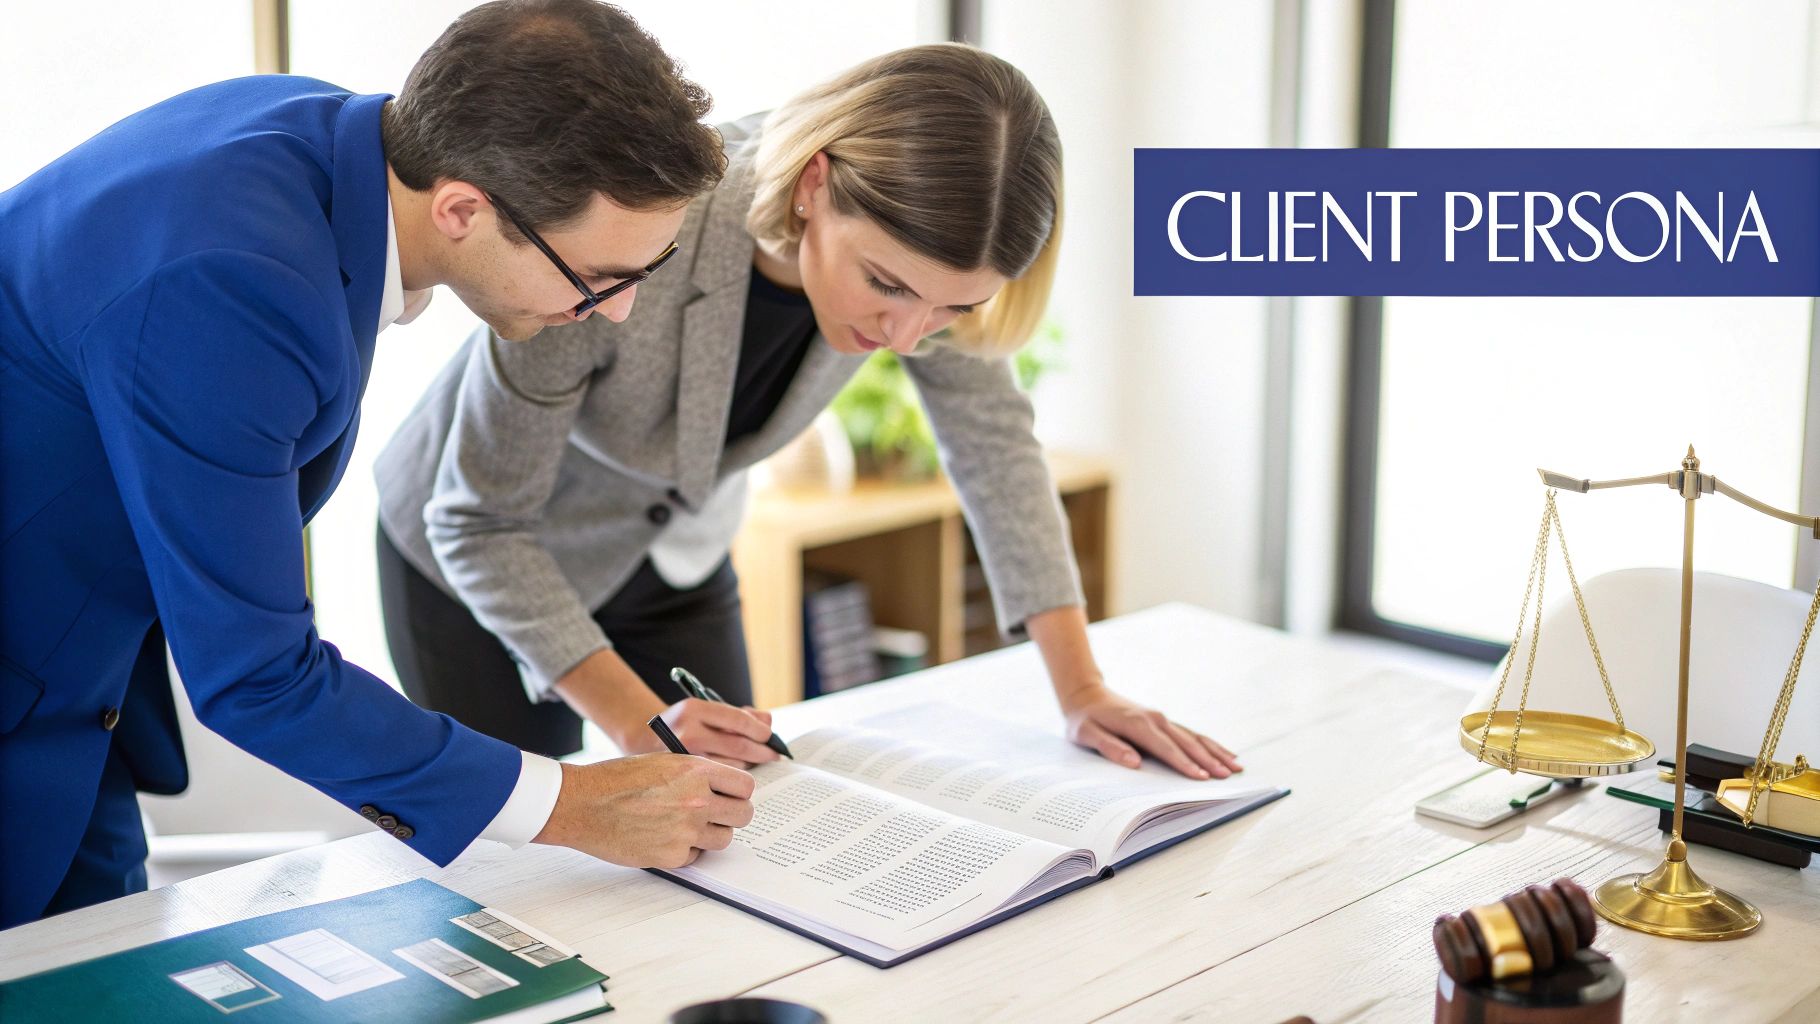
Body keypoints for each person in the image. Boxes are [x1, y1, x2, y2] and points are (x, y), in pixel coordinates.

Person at [0, 0, 754, 930]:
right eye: (601, 279)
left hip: (81, 684)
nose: (618, 314)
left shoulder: (320, 140)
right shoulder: (237, 285)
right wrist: (576, 805)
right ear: (464, 208)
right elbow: (259, 677)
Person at [375, 43, 1247, 782]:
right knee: (526, 855)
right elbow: (480, 521)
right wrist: (640, 724)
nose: (908, 337)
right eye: (888, 286)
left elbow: (996, 447)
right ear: (815, 185)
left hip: (672, 553)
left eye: (951, 310)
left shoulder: (927, 265)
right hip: (477, 548)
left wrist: (1083, 690)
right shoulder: (639, 225)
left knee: (741, 807)